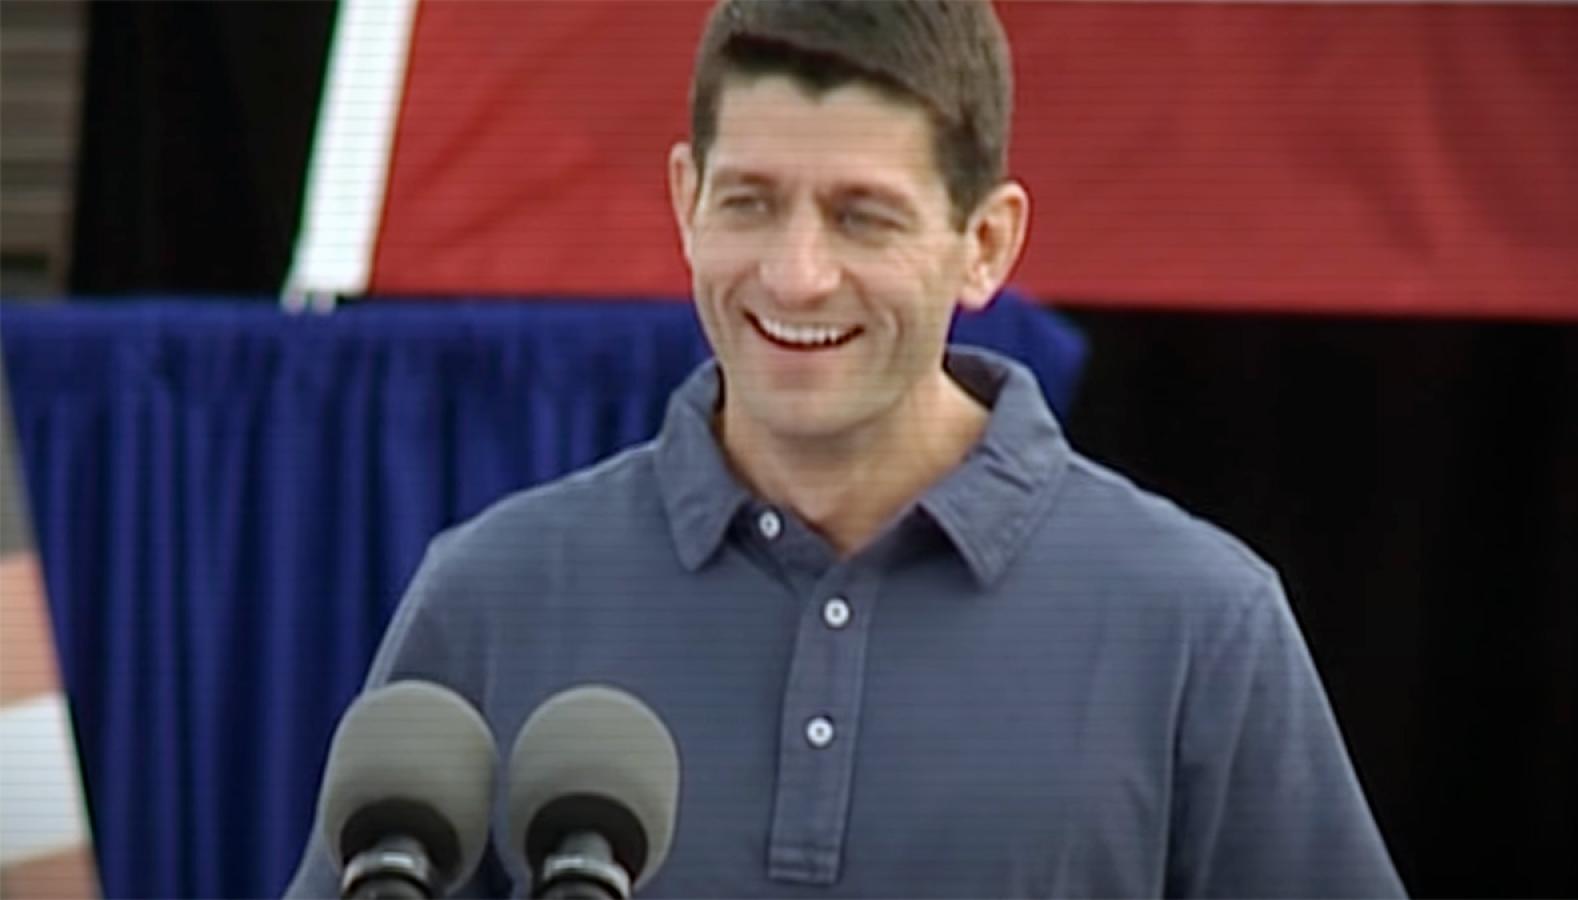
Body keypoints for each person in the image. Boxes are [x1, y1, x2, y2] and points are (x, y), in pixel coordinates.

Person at [286, 2, 1405, 896]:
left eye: (862, 216)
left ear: (986, 244)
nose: (796, 274)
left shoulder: (1198, 625)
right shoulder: (495, 592)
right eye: (751, 204)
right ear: (685, 202)